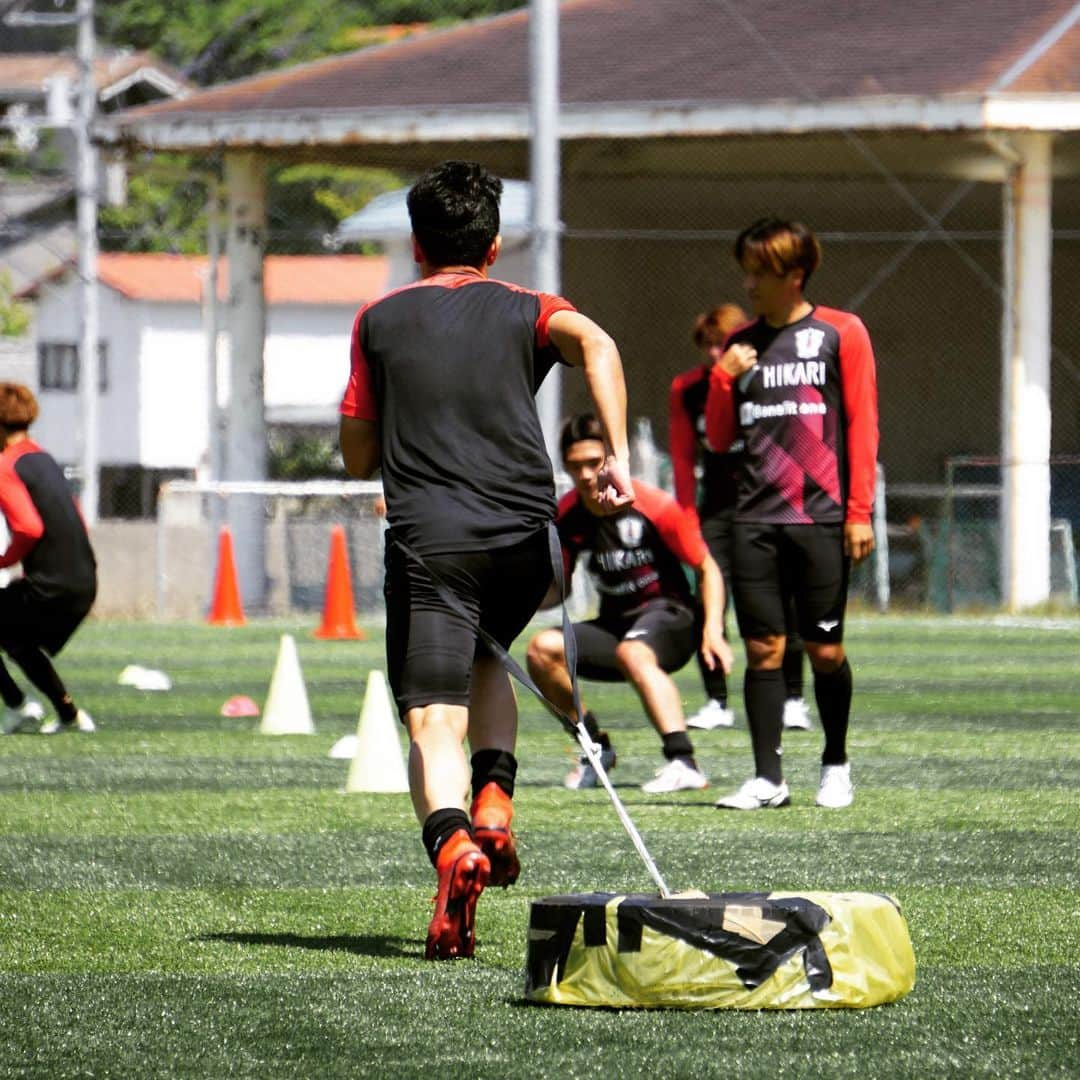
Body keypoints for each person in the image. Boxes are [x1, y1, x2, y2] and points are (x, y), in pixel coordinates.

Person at [337, 161, 634, 960]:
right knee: (489, 659)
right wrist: (617, 456)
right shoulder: (532, 309)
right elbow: (598, 345)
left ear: (414, 243)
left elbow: (357, 456)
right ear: (495, 246)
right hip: (526, 544)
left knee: (433, 719)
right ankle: (495, 800)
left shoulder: (378, 318)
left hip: (435, 544)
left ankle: (455, 845)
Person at [704, 218, 878, 811]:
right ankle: (767, 778)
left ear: (794, 275)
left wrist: (859, 511)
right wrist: (721, 382)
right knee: (763, 651)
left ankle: (835, 762)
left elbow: (862, 425)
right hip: (755, 520)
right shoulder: (739, 346)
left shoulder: (841, 333)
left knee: (824, 650)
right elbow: (722, 438)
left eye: (759, 272)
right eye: (746, 271)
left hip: (822, 519)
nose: (748, 284)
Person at [526, 414, 733, 794]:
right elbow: (560, 592)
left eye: (594, 463)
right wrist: (521, 596)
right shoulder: (566, 515)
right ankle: (595, 749)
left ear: (610, 460)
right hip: (616, 627)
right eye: (575, 466)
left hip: (672, 619)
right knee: (542, 650)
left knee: (634, 652)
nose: (586, 475)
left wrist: (713, 631)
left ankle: (683, 761)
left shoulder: (654, 505)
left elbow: (708, 569)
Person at [669, 304, 811, 733]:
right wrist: (685, 517)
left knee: (784, 601)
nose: (715, 353)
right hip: (718, 510)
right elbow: (682, 457)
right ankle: (716, 700)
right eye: (708, 345)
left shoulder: (769, 381)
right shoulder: (687, 388)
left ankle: (793, 699)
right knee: (706, 602)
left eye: (723, 344)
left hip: (770, 504)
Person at [0, 383, 97, 736]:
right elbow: (77, 519)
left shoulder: (6, 465)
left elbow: (28, 527)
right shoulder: (42, 457)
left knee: (13, 634)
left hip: (53, 583)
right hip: (84, 580)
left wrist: (3, 562)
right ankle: (69, 716)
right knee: (15, 638)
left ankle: (18, 706)